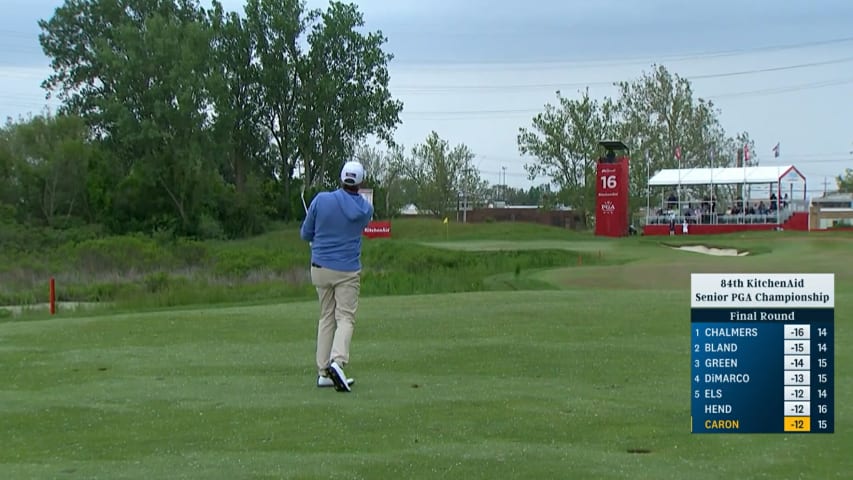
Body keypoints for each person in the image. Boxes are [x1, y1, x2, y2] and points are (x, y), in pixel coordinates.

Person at [300, 161, 374, 392]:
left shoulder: (321, 200)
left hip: (320, 268)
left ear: (341, 178)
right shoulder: (365, 209)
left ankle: (324, 372)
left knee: (326, 317)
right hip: (347, 271)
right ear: (360, 183)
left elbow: (305, 233)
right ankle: (337, 362)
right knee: (345, 317)